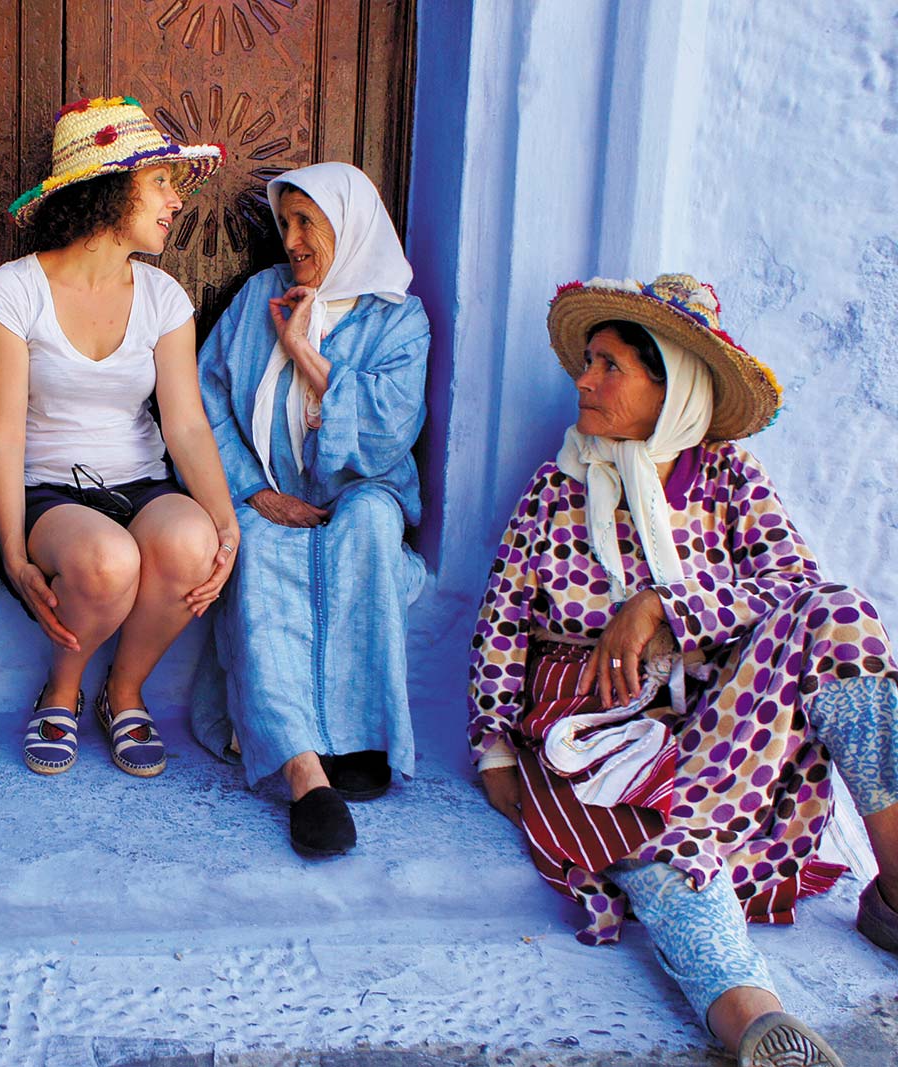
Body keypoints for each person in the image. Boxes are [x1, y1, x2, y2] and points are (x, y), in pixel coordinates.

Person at [469, 273, 898, 1067]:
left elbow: (791, 585)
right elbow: (503, 622)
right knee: (661, 834)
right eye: (586, 362)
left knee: (839, 612)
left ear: (672, 389)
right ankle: (754, 1017)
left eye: (609, 366)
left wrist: (664, 605)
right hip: (593, 730)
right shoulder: (557, 486)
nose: (584, 381)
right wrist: (494, 742)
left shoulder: (727, 477)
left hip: (719, 719)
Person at [0, 96, 238, 778]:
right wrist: (11, 553)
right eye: (159, 182)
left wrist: (226, 520)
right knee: (108, 561)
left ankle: (124, 691)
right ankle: (62, 689)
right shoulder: (12, 292)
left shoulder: (162, 297)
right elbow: (1, 437)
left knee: (192, 539)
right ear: (108, 186)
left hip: (141, 480)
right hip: (49, 491)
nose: (174, 201)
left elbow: (182, 422)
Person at [191, 163, 428, 857]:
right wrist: (255, 492)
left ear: (349, 227)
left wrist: (302, 351)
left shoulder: (398, 317)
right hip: (269, 491)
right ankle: (300, 766)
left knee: (370, 527)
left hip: (359, 492)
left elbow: (389, 430)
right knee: (258, 545)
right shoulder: (259, 297)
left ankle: (361, 739)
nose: (291, 239)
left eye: (307, 223)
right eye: (285, 222)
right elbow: (206, 406)